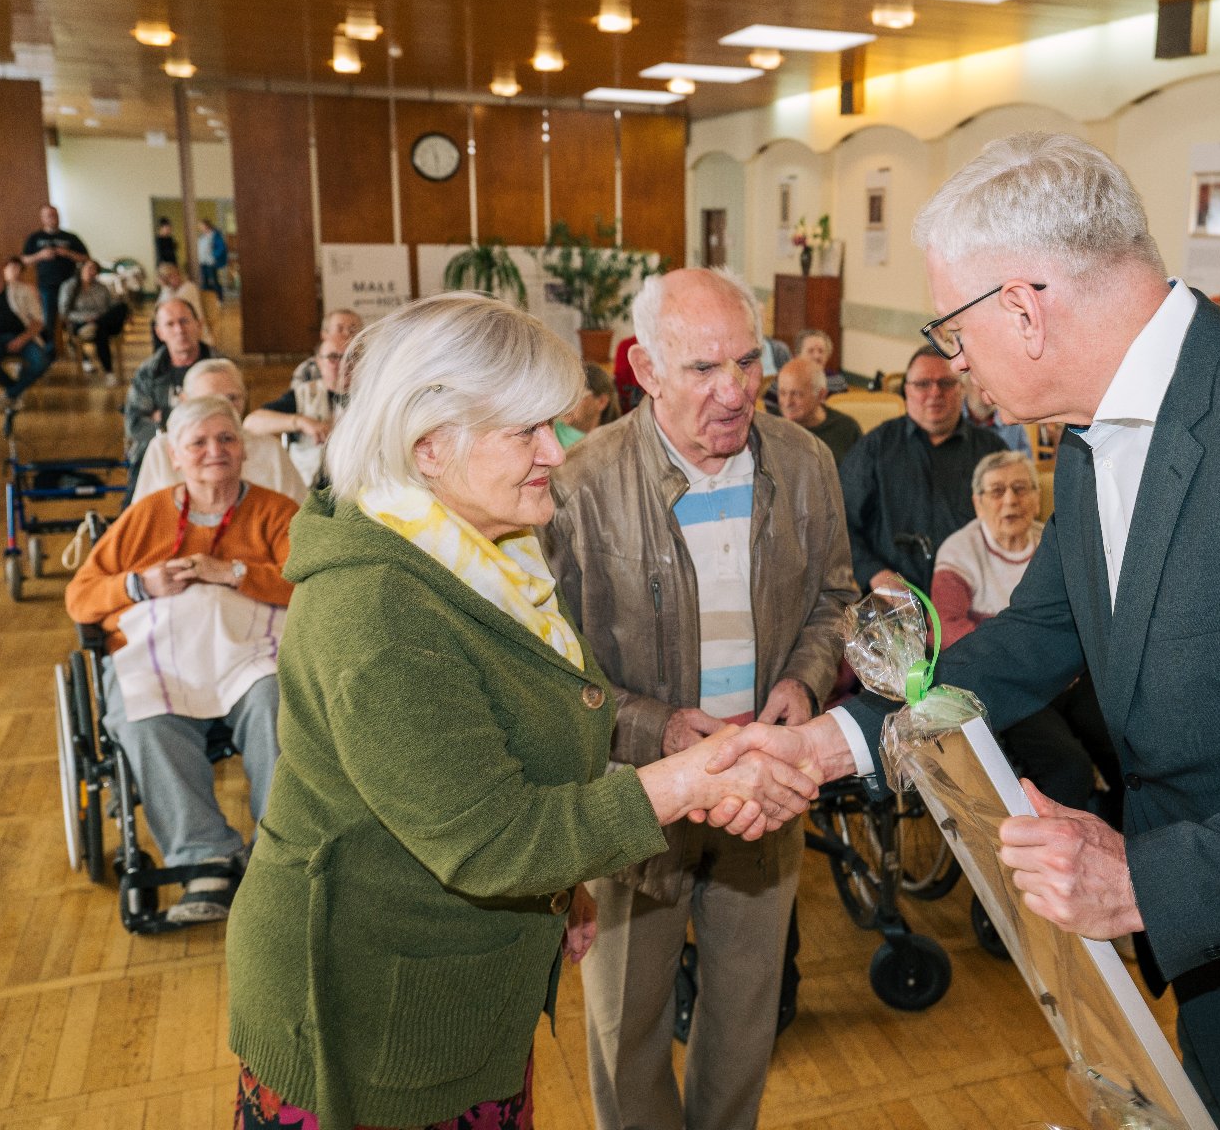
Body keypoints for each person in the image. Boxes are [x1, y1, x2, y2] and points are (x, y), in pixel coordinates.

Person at [712, 133, 1220, 1130]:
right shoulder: (1104, 425)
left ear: (1022, 309)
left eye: (952, 330)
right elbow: (1041, 635)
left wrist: (1148, 879)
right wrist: (833, 741)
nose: (949, 360)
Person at [224, 293, 817, 1130]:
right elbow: (490, 838)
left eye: (555, 424)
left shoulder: (484, 554)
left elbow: (502, 753)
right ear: (429, 447)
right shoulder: (380, 609)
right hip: (369, 1026)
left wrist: (557, 891)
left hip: (460, 997)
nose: (556, 451)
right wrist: (680, 782)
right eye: (527, 431)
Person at [547, 269, 855, 1130]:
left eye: (747, 363)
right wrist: (655, 726)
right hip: (634, 794)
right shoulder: (578, 484)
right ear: (644, 368)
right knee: (625, 1022)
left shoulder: (803, 463)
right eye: (702, 369)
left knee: (746, 1013)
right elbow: (550, 665)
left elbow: (834, 598)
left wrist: (803, 681)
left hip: (765, 783)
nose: (735, 391)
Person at [64, 396, 297, 925]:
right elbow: (81, 597)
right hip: (160, 656)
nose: (215, 451)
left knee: (276, 703)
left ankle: (278, 851)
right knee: (143, 719)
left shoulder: (276, 512)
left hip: (249, 653)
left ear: (244, 449)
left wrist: (234, 573)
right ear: (175, 454)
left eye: (227, 439)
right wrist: (139, 583)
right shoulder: (147, 516)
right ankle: (204, 857)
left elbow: (308, 586)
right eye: (199, 442)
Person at [934, 449, 1112, 811]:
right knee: (1068, 765)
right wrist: (1031, 660)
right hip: (1008, 681)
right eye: (997, 491)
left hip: (1070, 677)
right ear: (977, 503)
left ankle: (1123, 835)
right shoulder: (959, 551)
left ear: (1037, 495)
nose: (1010, 500)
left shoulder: (1053, 543)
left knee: (1125, 746)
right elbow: (947, 629)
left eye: (1020, 488)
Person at [839, 345, 1006, 594]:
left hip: (975, 599)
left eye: (946, 383)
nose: (935, 392)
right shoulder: (875, 447)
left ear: (961, 390)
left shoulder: (991, 450)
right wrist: (874, 573)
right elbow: (841, 524)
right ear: (906, 391)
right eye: (922, 384)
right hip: (892, 604)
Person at [133, 359, 307, 503]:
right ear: (185, 401)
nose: (225, 409)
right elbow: (143, 520)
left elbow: (300, 518)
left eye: (232, 398)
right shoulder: (163, 449)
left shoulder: (269, 449)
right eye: (210, 400)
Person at [243, 308, 362, 484]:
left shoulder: (371, 395)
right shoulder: (304, 394)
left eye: (351, 357)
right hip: (310, 487)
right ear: (318, 363)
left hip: (358, 483)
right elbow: (251, 424)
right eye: (333, 357)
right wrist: (300, 422)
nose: (344, 364)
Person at [124, 298, 219, 471]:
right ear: (159, 333)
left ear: (199, 324)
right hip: (159, 459)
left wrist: (164, 417)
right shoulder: (148, 373)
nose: (179, 330)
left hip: (213, 457)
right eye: (170, 324)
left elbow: (235, 419)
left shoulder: (220, 368)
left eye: (184, 321)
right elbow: (135, 426)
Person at [0, 251, 48, 410]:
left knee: (41, 362)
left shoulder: (23, 290)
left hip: (22, 337)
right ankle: (15, 392)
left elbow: (39, 321)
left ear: (0, 265)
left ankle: (10, 395)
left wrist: (22, 339)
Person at [21, 202, 89, 340]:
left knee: (72, 318)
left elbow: (86, 258)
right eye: (49, 215)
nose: (53, 218)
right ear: (42, 218)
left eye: (55, 215)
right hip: (47, 285)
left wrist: (68, 253)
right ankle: (50, 352)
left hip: (70, 284)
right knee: (49, 319)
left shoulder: (70, 237)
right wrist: (41, 255)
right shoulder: (35, 238)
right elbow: (24, 260)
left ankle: (78, 350)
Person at [776, 355, 860, 466]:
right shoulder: (771, 424)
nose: (787, 403)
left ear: (821, 395)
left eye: (796, 394)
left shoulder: (847, 429)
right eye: (782, 393)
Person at [58, 256, 127, 385]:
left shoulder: (101, 287)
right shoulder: (69, 286)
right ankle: (109, 371)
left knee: (122, 307)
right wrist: (85, 318)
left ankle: (99, 324)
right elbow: (64, 312)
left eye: (95, 269)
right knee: (102, 331)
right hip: (83, 323)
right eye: (89, 268)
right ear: (81, 269)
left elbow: (111, 304)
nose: (92, 272)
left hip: (102, 320)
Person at [963, 375, 1033, 456]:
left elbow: (1026, 463)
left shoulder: (1013, 423)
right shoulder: (953, 420)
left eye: (993, 385)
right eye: (981, 383)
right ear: (967, 386)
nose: (988, 392)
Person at [795, 326, 847, 394]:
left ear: (828, 355)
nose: (817, 356)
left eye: (821, 351)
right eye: (811, 351)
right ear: (798, 355)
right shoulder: (786, 380)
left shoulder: (838, 382)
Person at [196, 217, 228, 303]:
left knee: (214, 281)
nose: (200, 228)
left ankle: (220, 299)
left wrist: (213, 255)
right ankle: (207, 300)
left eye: (201, 226)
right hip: (203, 262)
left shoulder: (215, 235)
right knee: (205, 282)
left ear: (206, 226)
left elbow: (221, 248)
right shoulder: (202, 236)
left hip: (211, 262)